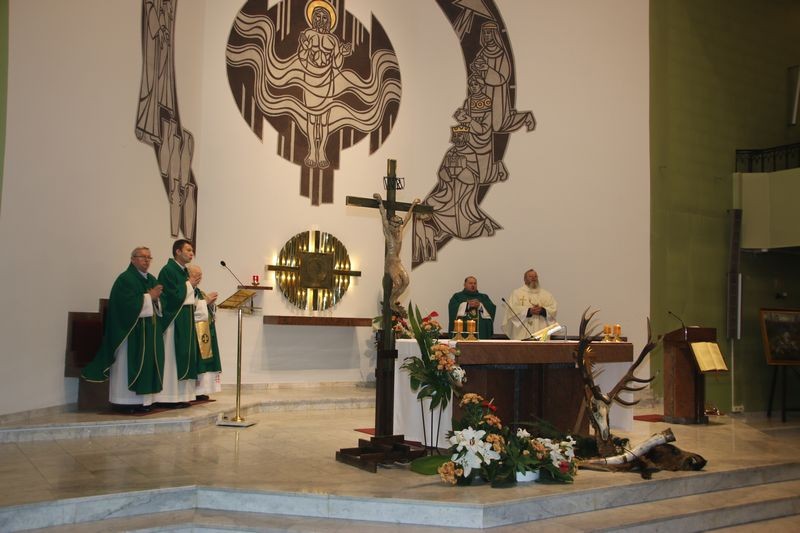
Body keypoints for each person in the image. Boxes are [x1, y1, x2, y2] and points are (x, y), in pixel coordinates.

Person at [81, 247, 164, 413]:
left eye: (149, 257)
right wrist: (149, 297)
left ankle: (144, 402)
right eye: (142, 257)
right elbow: (124, 305)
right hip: (130, 333)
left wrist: (155, 300)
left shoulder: (152, 279)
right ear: (132, 259)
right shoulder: (125, 279)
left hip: (148, 333)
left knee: (147, 365)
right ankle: (124, 402)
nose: (146, 260)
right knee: (126, 365)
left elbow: (161, 305)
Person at [154, 239, 198, 408]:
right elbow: (171, 297)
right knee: (172, 358)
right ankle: (168, 397)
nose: (191, 253)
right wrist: (189, 285)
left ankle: (181, 396)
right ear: (178, 251)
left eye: (192, 250)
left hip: (184, 320)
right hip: (173, 321)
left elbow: (187, 294)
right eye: (188, 250)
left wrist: (190, 286)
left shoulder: (183, 271)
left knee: (183, 356)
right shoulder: (168, 270)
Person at [374, 192, 420, 312]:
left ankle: (393, 301)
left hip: (397, 262)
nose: (397, 228)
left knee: (406, 281)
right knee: (398, 283)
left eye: (398, 226)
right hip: (390, 263)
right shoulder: (388, 234)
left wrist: (413, 205)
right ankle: (391, 302)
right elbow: (383, 217)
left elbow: (407, 218)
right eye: (395, 226)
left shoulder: (400, 232)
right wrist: (380, 202)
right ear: (391, 226)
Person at [188, 264, 221, 400]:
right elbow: (188, 312)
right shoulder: (187, 293)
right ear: (187, 276)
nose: (199, 278)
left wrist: (211, 305)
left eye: (200, 275)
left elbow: (207, 312)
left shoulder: (200, 293)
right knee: (197, 362)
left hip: (204, 333)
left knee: (206, 362)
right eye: (195, 275)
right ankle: (193, 391)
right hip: (193, 333)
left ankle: (202, 390)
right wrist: (205, 302)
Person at [502, 269, 558, 340]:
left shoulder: (546, 295)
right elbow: (512, 310)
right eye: (530, 276)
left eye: (535, 276)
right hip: (522, 332)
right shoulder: (517, 293)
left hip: (542, 332)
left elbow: (553, 309)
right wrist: (528, 311)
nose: (533, 278)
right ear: (524, 279)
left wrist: (542, 310)